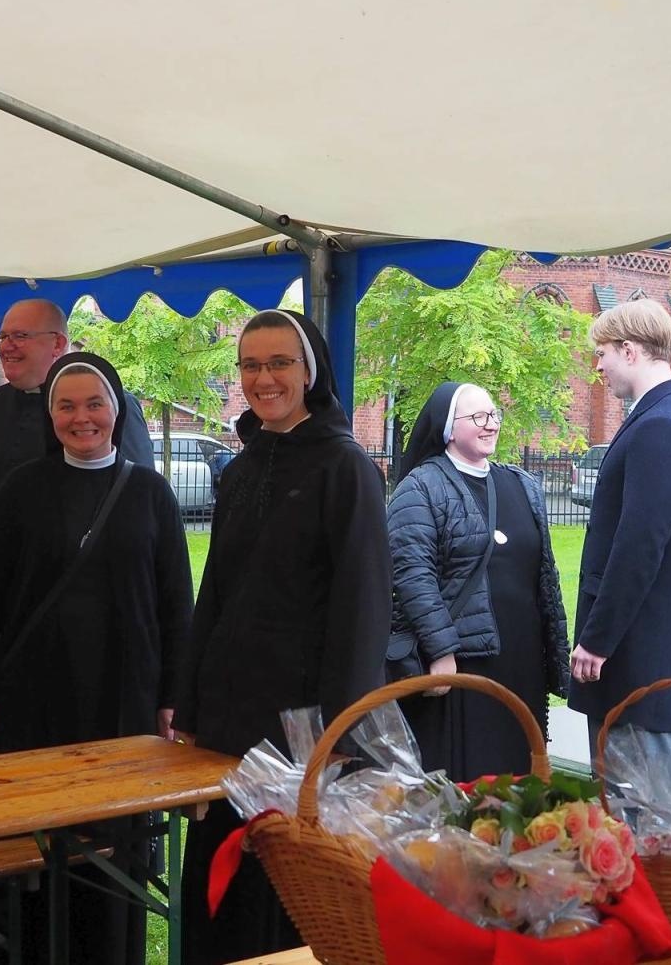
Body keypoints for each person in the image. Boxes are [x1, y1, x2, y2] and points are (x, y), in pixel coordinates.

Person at [0, 352, 192, 964]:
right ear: (50, 415)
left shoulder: (151, 492)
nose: (81, 418)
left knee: (116, 845)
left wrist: (172, 697)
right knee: (40, 838)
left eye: (94, 404)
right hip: (37, 695)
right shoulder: (22, 488)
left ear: (115, 411)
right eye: (66, 405)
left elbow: (174, 605)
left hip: (124, 695)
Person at [173, 309, 391, 965]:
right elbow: (213, 598)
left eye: (279, 363)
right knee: (219, 892)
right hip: (227, 725)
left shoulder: (344, 468)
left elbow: (363, 610)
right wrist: (190, 711)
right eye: (250, 365)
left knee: (284, 896)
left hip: (299, 728)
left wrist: (337, 738)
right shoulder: (239, 470)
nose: (263, 378)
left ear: (310, 371)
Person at [0, 298, 152, 760]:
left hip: (68, 610)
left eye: (19, 337)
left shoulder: (106, 411)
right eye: (3, 336)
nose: (6, 347)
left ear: (57, 344)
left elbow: (132, 511)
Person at [385, 381, 570, 780]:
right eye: (478, 417)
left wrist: (553, 655)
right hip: (463, 664)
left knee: (518, 774)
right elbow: (412, 575)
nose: (490, 425)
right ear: (449, 427)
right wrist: (440, 651)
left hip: (521, 663)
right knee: (467, 776)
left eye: (493, 415)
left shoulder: (522, 485)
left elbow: (545, 578)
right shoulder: (421, 488)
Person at [568, 299, 671, 761]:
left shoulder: (661, 428)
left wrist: (597, 639)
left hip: (639, 663)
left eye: (603, 353)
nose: (598, 366)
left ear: (629, 351)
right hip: (656, 659)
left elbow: (639, 547)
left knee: (636, 820)